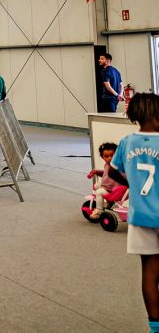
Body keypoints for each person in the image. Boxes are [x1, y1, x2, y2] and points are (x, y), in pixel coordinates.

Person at [109, 93, 159, 333]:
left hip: (140, 216)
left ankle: (155, 326)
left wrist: (132, 185)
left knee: (149, 271)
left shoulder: (127, 142)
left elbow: (114, 172)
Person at [89, 141, 128, 220]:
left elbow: (124, 177)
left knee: (98, 192)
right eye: (106, 156)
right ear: (102, 157)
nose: (109, 158)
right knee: (97, 186)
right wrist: (97, 172)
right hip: (107, 186)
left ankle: (99, 210)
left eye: (112, 156)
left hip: (114, 189)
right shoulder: (107, 164)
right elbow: (105, 174)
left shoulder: (119, 166)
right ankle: (109, 202)